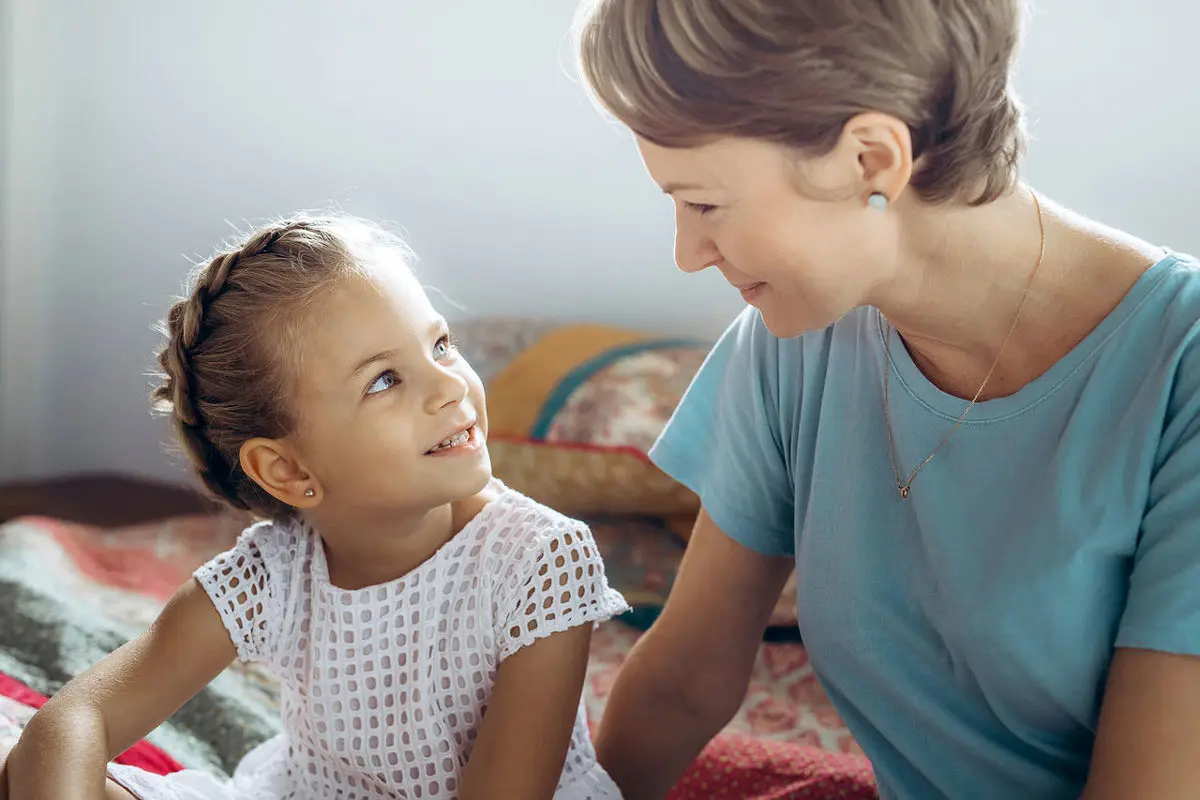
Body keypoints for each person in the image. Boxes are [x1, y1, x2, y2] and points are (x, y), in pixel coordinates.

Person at [573, 1, 1200, 798]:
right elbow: (682, 684)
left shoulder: (1181, 374)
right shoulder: (793, 341)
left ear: (871, 161)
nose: (688, 254)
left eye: (704, 205)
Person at [0, 214, 628, 800]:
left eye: (440, 345)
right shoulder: (272, 575)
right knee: (21, 761)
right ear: (289, 470)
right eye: (384, 379)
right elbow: (77, 717)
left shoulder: (541, 560)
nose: (450, 385)